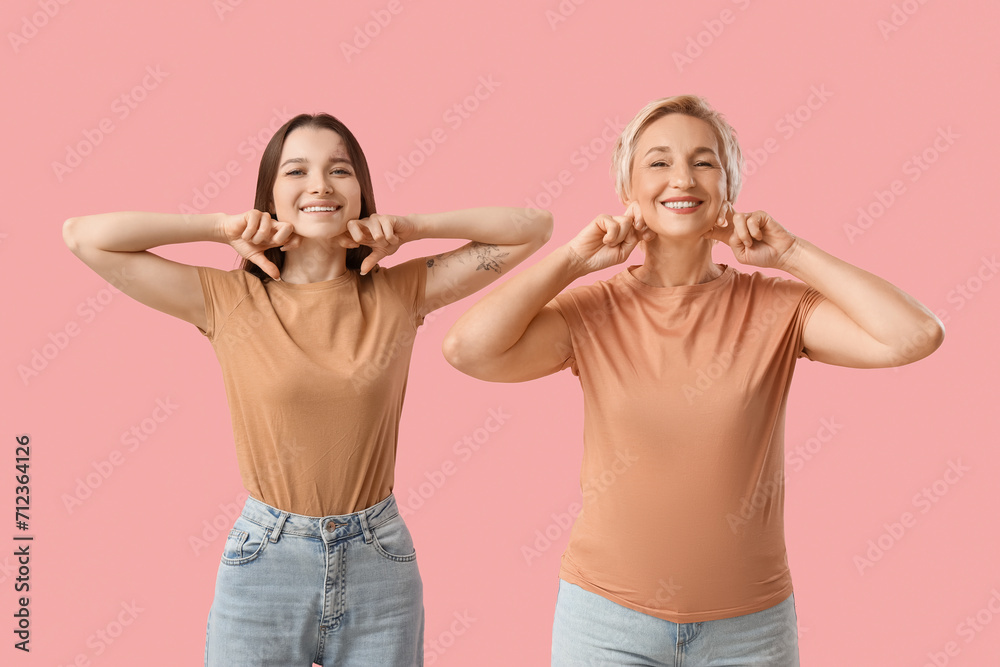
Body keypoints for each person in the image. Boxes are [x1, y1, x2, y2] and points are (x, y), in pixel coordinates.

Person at [442, 95, 944, 666]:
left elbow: (915, 335)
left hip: (750, 630)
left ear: (729, 187)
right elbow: (468, 350)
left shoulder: (778, 308)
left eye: (704, 162)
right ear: (627, 189)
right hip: (606, 623)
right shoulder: (592, 311)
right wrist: (573, 262)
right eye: (658, 162)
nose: (682, 177)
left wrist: (790, 253)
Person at [62, 112, 552, 666]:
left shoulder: (400, 292)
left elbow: (533, 227)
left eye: (339, 170)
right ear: (270, 196)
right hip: (265, 563)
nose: (320, 185)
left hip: (379, 564)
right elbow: (83, 236)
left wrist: (410, 226)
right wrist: (221, 227)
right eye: (296, 171)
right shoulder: (227, 300)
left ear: (361, 193)